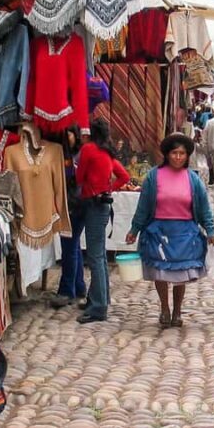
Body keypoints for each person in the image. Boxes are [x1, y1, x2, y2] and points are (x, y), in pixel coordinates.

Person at [126, 134, 214, 328]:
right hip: (159, 232)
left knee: (180, 274)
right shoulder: (153, 177)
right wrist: (135, 228)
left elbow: (203, 207)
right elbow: (143, 206)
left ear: (187, 156)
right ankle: (165, 308)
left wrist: (210, 230)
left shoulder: (193, 179)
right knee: (160, 272)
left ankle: (177, 311)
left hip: (184, 234)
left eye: (182, 153)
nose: (178, 157)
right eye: (174, 153)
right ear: (167, 154)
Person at [75, 118, 130, 323]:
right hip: (104, 205)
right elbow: (124, 176)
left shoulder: (88, 149)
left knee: (95, 256)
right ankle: (99, 298)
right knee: (100, 255)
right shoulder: (108, 152)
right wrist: (108, 189)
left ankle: (98, 307)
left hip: (92, 204)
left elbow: (79, 177)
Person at [51, 126, 86, 309]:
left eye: (69, 133)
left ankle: (66, 291)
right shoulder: (62, 153)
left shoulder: (79, 155)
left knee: (69, 248)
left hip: (75, 205)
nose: (66, 137)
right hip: (71, 204)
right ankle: (79, 286)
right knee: (74, 246)